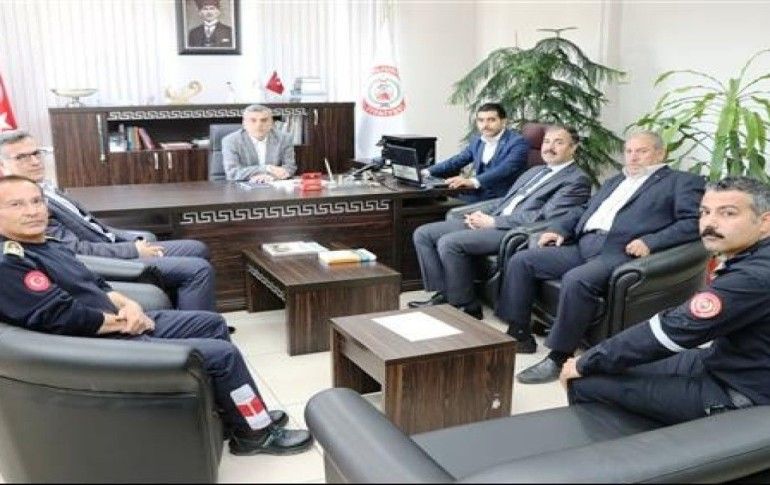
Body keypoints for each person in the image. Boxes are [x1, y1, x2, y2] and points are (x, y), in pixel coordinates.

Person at [0, 175, 312, 455]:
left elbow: (96, 284)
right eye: (17, 205)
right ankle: (255, 434)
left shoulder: (46, 243)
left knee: (212, 323)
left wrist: (130, 306)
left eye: (36, 201)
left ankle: (233, 414)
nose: (32, 211)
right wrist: (126, 323)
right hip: (96, 343)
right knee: (223, 355)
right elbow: (63, 317)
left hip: (116, 324)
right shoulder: (10, 262)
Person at [497, 131, 705, 383]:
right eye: (629, 151)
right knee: (522, 260)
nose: (633, 157)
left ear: (661, 154)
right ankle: (520, 334)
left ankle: (559, 357)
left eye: (642, 151)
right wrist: (558, 229)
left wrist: (651, 241)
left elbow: (693, 222)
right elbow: (584, 209)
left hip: (620, 250)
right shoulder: (615, 181)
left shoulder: (681, 182)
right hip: (583, 244)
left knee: (577, 279)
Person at [561, 176, 770, 425]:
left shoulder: (753, 276)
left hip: (741, 391)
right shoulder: (757, 257)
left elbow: (673, 329)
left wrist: (585, 362)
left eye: (728, 213)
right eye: (705, 212)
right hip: (728, 361)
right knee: (612, 365)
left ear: (764, 222)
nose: (710, 222)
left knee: (584, 380)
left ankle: (631, 448)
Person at [0, 130, 216, 313]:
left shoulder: (45, 187)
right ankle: (197, 329)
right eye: (21, 157)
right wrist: (133, 249)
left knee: (196, 248)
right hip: (102, 262)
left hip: (111, 246)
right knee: (198, 270)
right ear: (2, 164)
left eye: (36, 153)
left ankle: (187, 314)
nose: (35, 161)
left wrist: (131, 240)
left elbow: (93, 226)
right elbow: (73, 249)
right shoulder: (26, 203)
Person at [408, 125, 591, 322]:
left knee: (449, 243)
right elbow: (506, 200)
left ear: (573, 148)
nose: (549, 147)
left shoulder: (576, 179)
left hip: (514, 230)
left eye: (558, 142)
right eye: (547, 142)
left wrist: (493, 221)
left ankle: (466, 305)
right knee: (423, 234)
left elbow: (545, 217)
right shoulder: (536, 170)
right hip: (495, 219)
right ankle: (444, 293)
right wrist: (478, 214)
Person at [425, 103, 529, 203]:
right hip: (478, 193)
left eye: (491, 120)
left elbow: (505, 169)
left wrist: (472, 181)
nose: (485, 125)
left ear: (503, 121)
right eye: (481, 120)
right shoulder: (478, 140)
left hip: (502, 197)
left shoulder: (517, 142)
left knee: (445, 206)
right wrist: (426, 172)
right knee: (432, 199)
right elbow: (457, 160)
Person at [222, 104, 297, 182]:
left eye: (264, 120)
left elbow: (290, 168)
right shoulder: (231, 141)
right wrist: (267, 168)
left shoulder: (284, 139)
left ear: (271, 123)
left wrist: (270, 177)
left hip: (274, 184)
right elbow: (232, 173)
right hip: (243, 186)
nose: (259, 125)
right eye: (253, 120)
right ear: (244, 124)